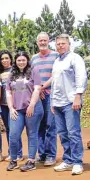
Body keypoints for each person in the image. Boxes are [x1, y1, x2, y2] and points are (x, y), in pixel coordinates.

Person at [51, 34, 88, 175]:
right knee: (62, 133)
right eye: (58, 44)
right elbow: (54, 82)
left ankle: (77, 162)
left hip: (71, 102)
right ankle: (68, 160)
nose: (60, 46)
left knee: (73, 132)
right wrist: (52, 102)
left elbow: (81, 77)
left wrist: (78, 96)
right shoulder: (57, 61)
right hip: (58, 102)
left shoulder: (75, 58)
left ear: (69, 44)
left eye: (63, 43)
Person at [6, 51, 44, 172]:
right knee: (13, 135)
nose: (21, 62)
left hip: (33, 108)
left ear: (27, 60)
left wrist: (32, 105)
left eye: (23, 60)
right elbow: (8, 92)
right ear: (15, 62)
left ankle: (31, 161)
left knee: (32, 134)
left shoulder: (34, 71)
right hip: (17, 109)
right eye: (19, 60)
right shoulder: (12, 74)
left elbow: (37, 89)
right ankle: (13, 160)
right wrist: (11, 108)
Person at [31, 32, 59, 166]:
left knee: (50, 125)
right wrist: (37, 90)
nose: (42, 42)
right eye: (40, 40)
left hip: (50, 94)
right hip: (38, 95)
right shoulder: (33, 58)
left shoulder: (55, 56)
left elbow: (56, 75)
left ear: (49, 41)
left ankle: (51, 155)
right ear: (37, 42)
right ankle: (41, 154)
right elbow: (31, 77)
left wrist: (42, 87)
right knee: (39, 126)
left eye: (44, 40)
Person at [0, 50, 23, 162]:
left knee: (14, 130)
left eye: (6, 58)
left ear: (10, 59)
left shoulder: (15, 70)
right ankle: (11, 152)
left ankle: (19, 153)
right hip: (3, 105)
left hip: (13, 105)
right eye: (2, 59)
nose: (4, 60)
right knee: (8, 129)